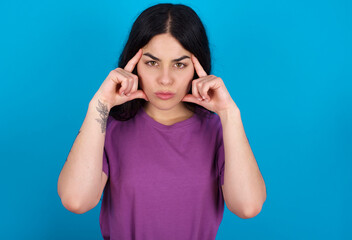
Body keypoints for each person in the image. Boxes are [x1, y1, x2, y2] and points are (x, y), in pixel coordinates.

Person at [57, 3, 266, 240]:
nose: (165, 80)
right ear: (134, 64)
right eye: (152, 63)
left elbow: (248, 207)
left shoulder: (218, 131)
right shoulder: (109, 128)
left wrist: (230, 113)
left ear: (197, 68)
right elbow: (76, 201)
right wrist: (99, 106)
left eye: (179, 64)